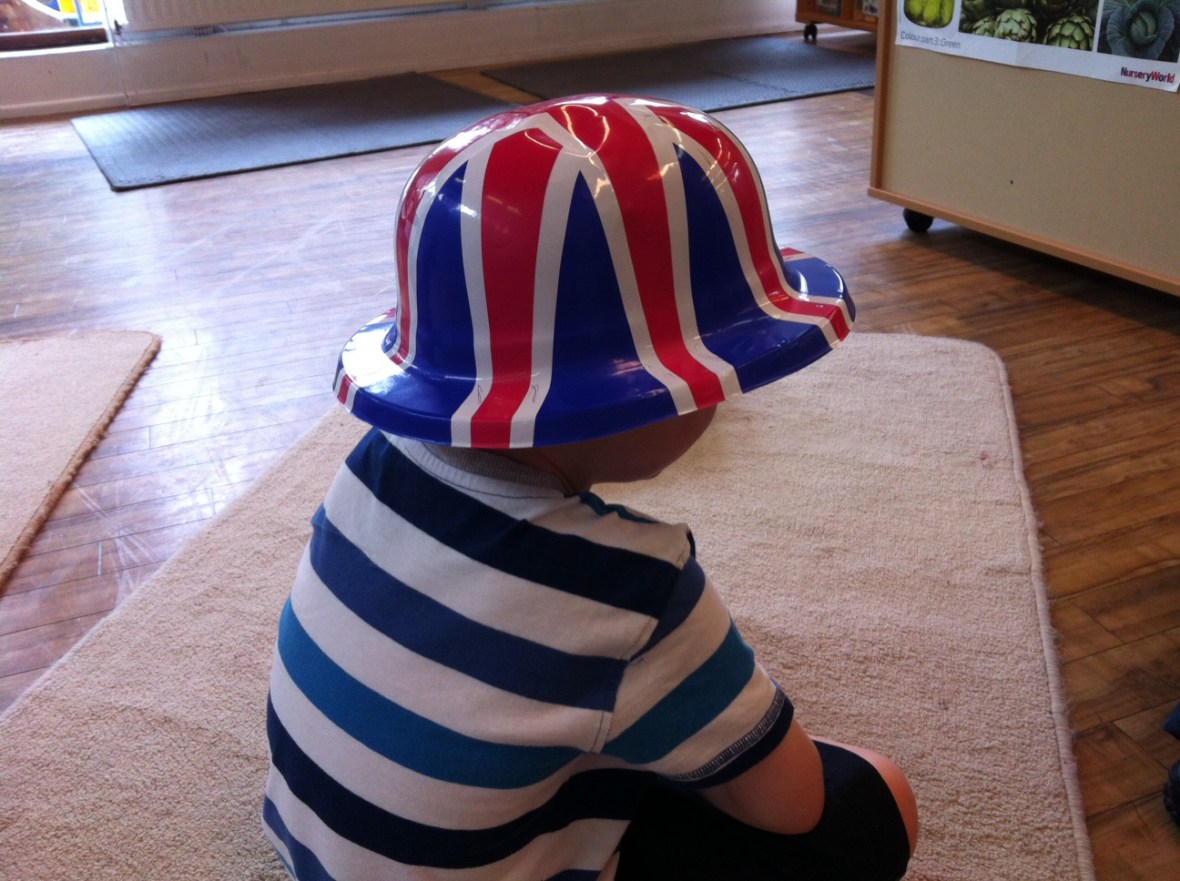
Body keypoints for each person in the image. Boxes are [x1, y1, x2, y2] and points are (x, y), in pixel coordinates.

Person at [262, 94, 918, 881]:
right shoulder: (635, 589)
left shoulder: (374, 464)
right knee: (877, 793)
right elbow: (794, 805)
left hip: (317, 853)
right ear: (638, 385)